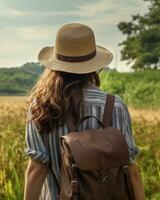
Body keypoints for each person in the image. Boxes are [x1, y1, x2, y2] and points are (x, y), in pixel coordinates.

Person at [23, 23, 145, 200]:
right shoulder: (115, 106)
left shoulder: (41, 105)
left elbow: (37, 169)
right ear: (94, 64)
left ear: (55, 64)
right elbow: (131, 169)